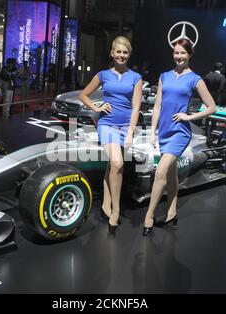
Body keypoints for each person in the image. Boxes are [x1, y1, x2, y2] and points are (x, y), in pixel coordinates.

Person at [142, 38, 216, 237]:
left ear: (190, 55)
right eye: (176, 52)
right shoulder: (164, 76)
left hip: (180, 132)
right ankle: (172, 212)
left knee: (160, 172)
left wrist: (189, 116)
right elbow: (157, 106)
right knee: (171, 174)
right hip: (164, 131)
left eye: (183, 53)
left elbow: (212, 107)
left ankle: (149, 216)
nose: (179, 56)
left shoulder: (195, 79)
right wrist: (152, 132)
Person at [79, 36, 142, 235]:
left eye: (125, 52)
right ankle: (116, 210)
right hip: (107, 124)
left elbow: (136, 107)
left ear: (129, 54)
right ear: (112, 53)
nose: (121, 55)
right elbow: (83, 95)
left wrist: (131, 132)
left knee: (111, 166)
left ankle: (106, 203)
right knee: (117, 164)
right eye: (118, 52)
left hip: (125, 127)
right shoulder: (103, 75)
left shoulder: (136, 78)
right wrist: (96, 106)